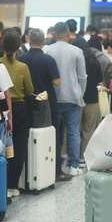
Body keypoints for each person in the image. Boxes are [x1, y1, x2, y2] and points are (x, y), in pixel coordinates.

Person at [17, 28, 72, 182]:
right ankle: (55, 172)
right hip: (47, 105)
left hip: (26, 103)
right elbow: (56, 81)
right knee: (51, 136)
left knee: (28, 137)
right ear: (44, 41)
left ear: (29, 40)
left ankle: (28, 172)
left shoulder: (21, 59)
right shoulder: (48, 60)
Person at [43, 22, 87, 176]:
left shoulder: (46, 50)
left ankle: (52, 163)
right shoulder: (77, 51)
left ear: (54, 34)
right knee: (73, 132)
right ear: (68, 33)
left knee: (53, 132)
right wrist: (79, 94)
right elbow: (82, 77)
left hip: (52, 98)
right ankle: (74, 165)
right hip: (72, 97)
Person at [0, 29, 34, 197]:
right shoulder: (23, 67)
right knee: (18, 146)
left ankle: (0, 185)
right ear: (19, 45)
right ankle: (12, 186)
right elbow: (30, 90)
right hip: (19, 109)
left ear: (2, 45)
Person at [70, 37, 103, 169]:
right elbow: (100, 83)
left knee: (74, 130)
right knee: (88, 130)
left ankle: (72, 157)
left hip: (76, 99)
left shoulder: (73, 61)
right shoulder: (94, 61)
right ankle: (83, 158)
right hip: (92, 99)